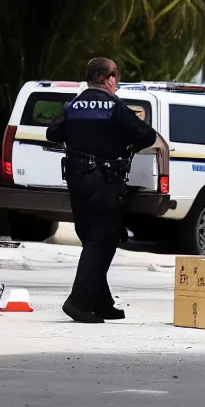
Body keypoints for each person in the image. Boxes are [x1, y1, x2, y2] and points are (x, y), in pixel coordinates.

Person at [46, 57, 157, 323]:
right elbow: (148, 135)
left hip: (76, 181)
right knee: (102, 238)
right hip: (104, 181)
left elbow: (53, 133)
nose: (116, 84)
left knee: (94, 239)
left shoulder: (73, 105)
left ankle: (101, 302)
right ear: (109, 78)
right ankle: (79, 302)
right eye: (116, 78)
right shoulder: (115, 107)